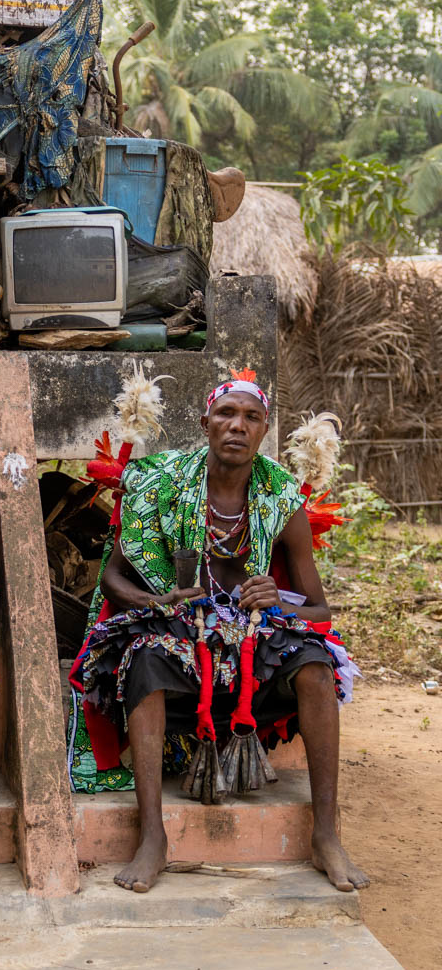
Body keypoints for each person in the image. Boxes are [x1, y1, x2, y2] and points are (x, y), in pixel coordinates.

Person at [71, 371, 368, 896]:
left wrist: (279, 598)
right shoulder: (160, 480)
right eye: (227, 414)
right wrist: (156, 601)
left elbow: (319, 609)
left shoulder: (281, 498)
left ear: (264, 430)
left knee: (317, 668)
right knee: (144, 655)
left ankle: (325, 834)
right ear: (205, 421)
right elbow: (114, 577)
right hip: (178, 630)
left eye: (251, 418)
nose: (238, 426)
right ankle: (152, 837)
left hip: (253, 641)